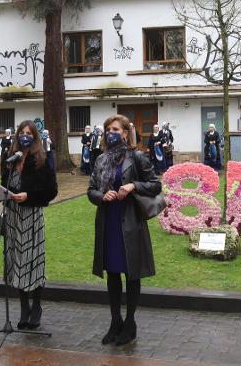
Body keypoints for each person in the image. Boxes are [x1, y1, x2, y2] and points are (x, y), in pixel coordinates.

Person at [88, 114, 161, 346]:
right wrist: (102, 195)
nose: (112, 133)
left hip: (130, 224)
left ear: (126, 133)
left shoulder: (136, 156)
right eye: (108, 129)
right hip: (108, 221)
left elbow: (155, 184)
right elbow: (90, 190)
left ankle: (130, 323)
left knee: (131, 273)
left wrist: (132, 185)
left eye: (116, 129)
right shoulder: (100, 160)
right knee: (112, 273)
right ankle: (115, 322)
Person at [0, 120, 58, 331]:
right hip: (13, 218)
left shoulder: (41, 160)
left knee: (33, 262)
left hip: (32, 217)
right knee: (17, 262)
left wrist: (29, 196)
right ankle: (24, 307)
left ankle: (37, 306)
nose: (25, 136)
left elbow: (51, 191)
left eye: (29, 133)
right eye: (21, 133)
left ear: (35, 137)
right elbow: (5, 185)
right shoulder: (10, 159)